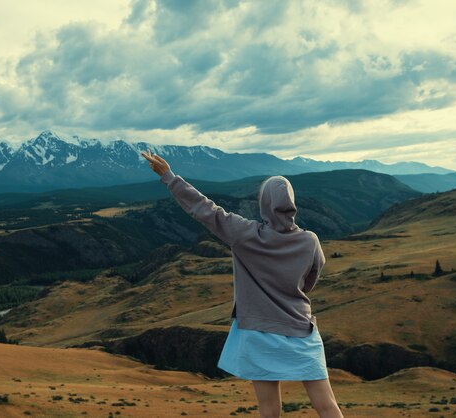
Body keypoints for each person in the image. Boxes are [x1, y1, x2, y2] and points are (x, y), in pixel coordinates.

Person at [140, 149, 343, 418]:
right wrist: (289, 292)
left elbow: (204, 209)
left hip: (257, 330)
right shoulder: (310, 241)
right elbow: (309, 281)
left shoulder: (245, 235)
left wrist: (169, 177)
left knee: (269, 409)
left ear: (264, 204)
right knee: (326, 405)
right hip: (299, 327)